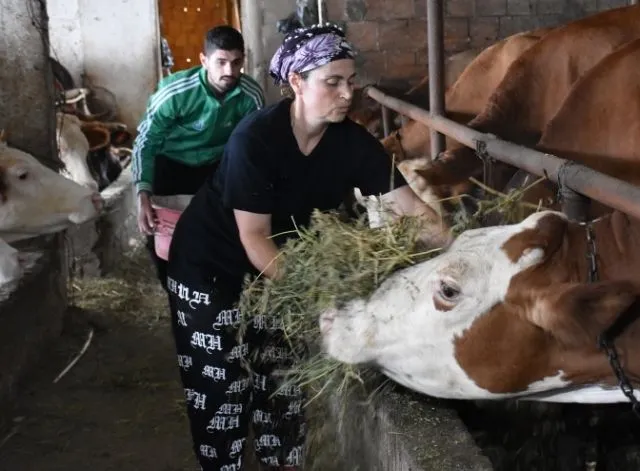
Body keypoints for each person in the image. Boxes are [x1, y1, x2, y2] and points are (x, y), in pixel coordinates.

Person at [162, 23, 447, 471]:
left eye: (350, 80)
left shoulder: (353, 143)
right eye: (332, 81)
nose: (346, 93)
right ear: (296, 82)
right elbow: (254, 238)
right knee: (224, 388)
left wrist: (462, 255)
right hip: (212, 267)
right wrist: (318, 299)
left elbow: (413, 213)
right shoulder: (255, 140)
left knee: (281, 380)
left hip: (282, 266)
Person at [131, 25, 265, 291]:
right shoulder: (175, 93)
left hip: (217, 167)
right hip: (171, 164)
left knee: (217, 230)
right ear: (204, 60)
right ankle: (172, 287)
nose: (229, 71)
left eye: (236, 62)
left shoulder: (251, 96)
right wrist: (142, 192)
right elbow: (145, 143)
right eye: (221, 62)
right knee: (163, 235)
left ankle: (212, 288)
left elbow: (256, 146)